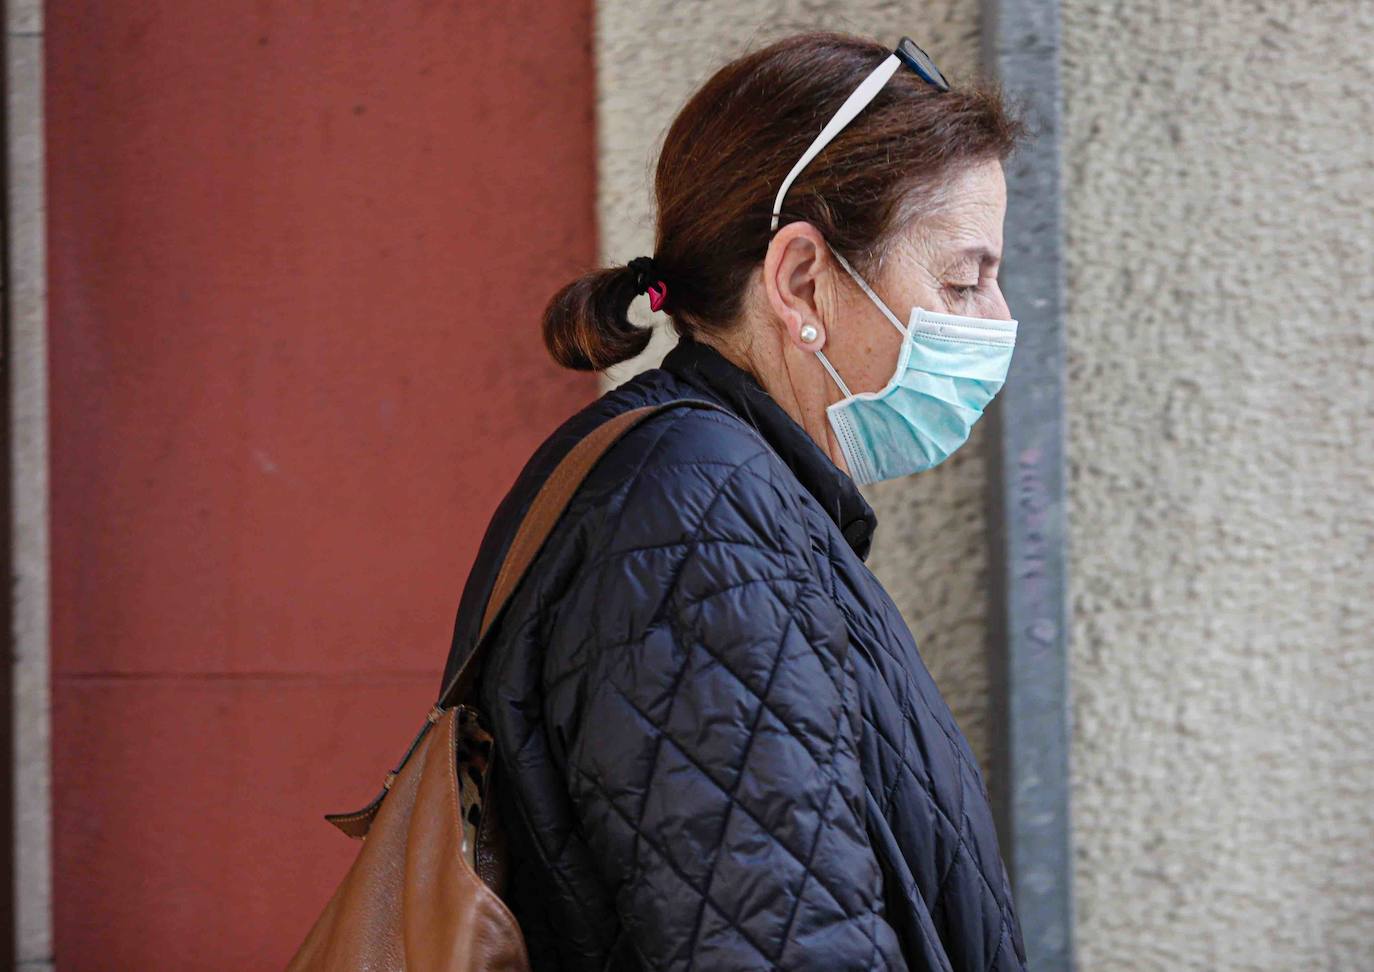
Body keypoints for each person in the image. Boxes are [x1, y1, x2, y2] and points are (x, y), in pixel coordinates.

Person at [439, 29, 1031, 971]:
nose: (999, 320)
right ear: (802, 280)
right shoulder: (696, 527)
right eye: (965, 277)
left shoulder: (722, 496)